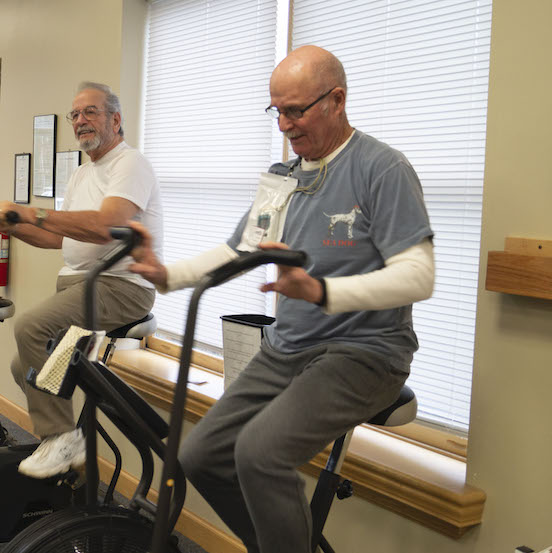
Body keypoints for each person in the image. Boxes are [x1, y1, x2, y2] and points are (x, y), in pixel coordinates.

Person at [128, 46, 434, 553]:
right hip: (288, 347)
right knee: (200, 455)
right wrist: (166, 275)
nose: (285, 126)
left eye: (296, 111)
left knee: (259, 453)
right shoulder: (283, 178)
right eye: (277, 111)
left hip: (365, 352)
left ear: (336, 100)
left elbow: (418, 276)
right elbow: (238, 249)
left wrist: (323, 291)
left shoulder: (383, 168)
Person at [0, 81, 163, 479]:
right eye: (75, 115)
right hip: (80, 286)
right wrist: (10, 225)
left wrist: (31, 211)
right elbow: (55, 237)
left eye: (91, 112)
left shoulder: (130, 164)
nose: (81, 120)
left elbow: (104, 227)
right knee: (21, 368)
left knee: (29, 326)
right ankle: (70, 456)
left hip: (120, 287)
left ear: (115, 120)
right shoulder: (82, 174)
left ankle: (61, 437)